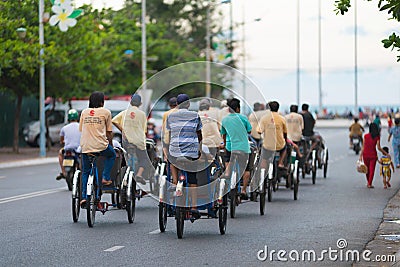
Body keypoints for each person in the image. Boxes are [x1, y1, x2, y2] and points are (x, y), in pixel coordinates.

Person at [166, 94, 202, 213]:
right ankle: (194, 207)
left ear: (177, 104)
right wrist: (199, 149)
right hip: (191, 153)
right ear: (188, 104)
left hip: (175, 151)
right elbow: (199, 134)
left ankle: (175, 182)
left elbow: (171, 134)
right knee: (192, 180)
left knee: (171, 160)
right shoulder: (195, 115)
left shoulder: (170, 116)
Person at [79, 91, 116, 206]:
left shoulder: (84, 112)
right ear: (102, 102)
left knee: (85, 171)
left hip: (85, 147)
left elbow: (81, 129)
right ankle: (105, 177)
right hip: (100, 146)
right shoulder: (106, 112)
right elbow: (109, 132)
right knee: (112, 155)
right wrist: (110, 144)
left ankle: (84, 197)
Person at [112, 94, 148, 185]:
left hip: (127, 141)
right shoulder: (142, 114)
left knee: (123, 157)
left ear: (130, 102)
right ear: (140, 103)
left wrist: (123, 130)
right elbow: (145, 131)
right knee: (144, 158)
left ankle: (122, 173)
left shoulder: (125, 112)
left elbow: (114, 121)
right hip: (138, 142)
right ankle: (139, 174)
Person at [220, 98, 252, 199]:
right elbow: (249, 131)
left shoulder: (225, 120)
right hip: (243, 148)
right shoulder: (243, 118)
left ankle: (228, 173)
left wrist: (224, 144)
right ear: (238, 108)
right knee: (247, 169)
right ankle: (243, 190)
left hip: (230, 147)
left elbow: (223, 135)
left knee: (227, 160)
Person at [258, 101, 288, 170]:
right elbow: (285, 132)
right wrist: (285, 140)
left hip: (267, 145)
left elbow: (259, 131)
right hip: (279, 145)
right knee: (285, 149)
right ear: (278, 108)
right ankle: (280, 162)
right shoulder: (282, 118)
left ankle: (263, 168)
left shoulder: (264, 118)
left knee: (264, 157)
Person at [359, 123, 388, 188]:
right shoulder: (377, 137)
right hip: (373, 155)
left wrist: (360, 156)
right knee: (372, 170)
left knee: (367, 169)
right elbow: (379, 147)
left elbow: (363, 146)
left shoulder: (365, 136)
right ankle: (369, 183)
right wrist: (386, 154)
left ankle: (368, 182)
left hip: (365, 155)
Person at [56, 109, 81, 180]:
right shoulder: (81, 127)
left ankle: (63, 172)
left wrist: (63, 142)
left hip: (67, 149)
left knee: (60, 153)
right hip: (78, 149)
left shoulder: (64, 128)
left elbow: (61, 140)